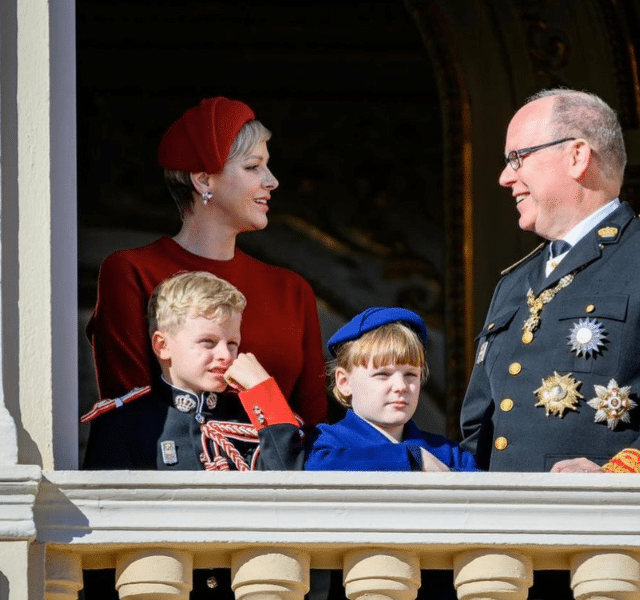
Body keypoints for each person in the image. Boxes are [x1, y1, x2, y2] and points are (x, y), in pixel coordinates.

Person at [460, 88, 640, 475]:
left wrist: (617, 477)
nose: (506, 177)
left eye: (517, 158)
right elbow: (479, 428)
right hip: (506, 524)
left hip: (605, 523)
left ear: (577, 156)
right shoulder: (514, 281)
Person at [86, 96, 327, 433]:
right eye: (253, 166)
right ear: (203, 179)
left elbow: (315, 427)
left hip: (281, 476)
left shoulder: (291, 289)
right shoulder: (131, 271)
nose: (271, 181)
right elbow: (131, 416)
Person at [81, 271, 303, 599]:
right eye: (208, 342)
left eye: (233, 343)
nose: (226, 355)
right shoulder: (124, 423)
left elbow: (295, 500)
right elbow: (101, 536)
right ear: (163, 345)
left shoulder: (258, 417)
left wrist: (265, 397)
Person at [305, 307, 479, 472]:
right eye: (383, 374)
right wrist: (411, 459)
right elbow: (318, 465)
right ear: (344, 382)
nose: (401, 386)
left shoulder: (449, 453)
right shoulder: (323, 443)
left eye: (410, 374)